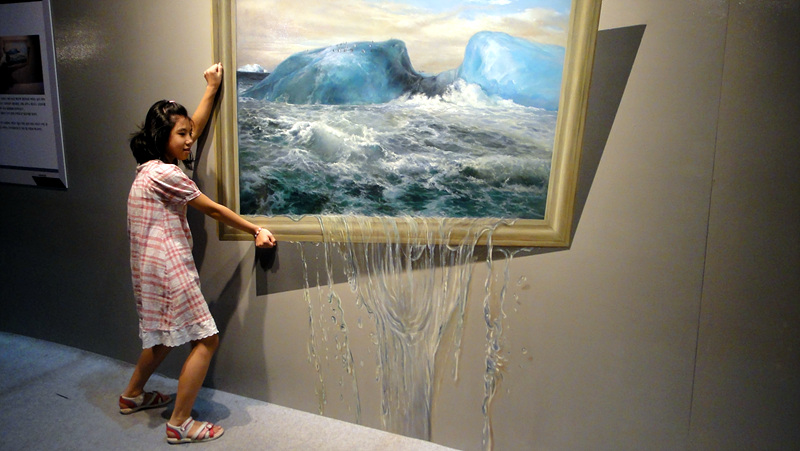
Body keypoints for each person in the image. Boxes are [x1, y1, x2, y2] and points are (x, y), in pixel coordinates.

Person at [120, 62, 276, 444]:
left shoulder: (147, 169)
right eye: (182, 134)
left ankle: (132, 395)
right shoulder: (169, 175)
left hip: (146, 267)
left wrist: (211, 88)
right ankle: (180, 423)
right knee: (206, 340)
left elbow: (195, 127)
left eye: (189, 133)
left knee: (160, 337)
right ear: (162, 136)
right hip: (170, 266)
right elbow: (213, 210)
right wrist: (256, 229)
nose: (190, 140)